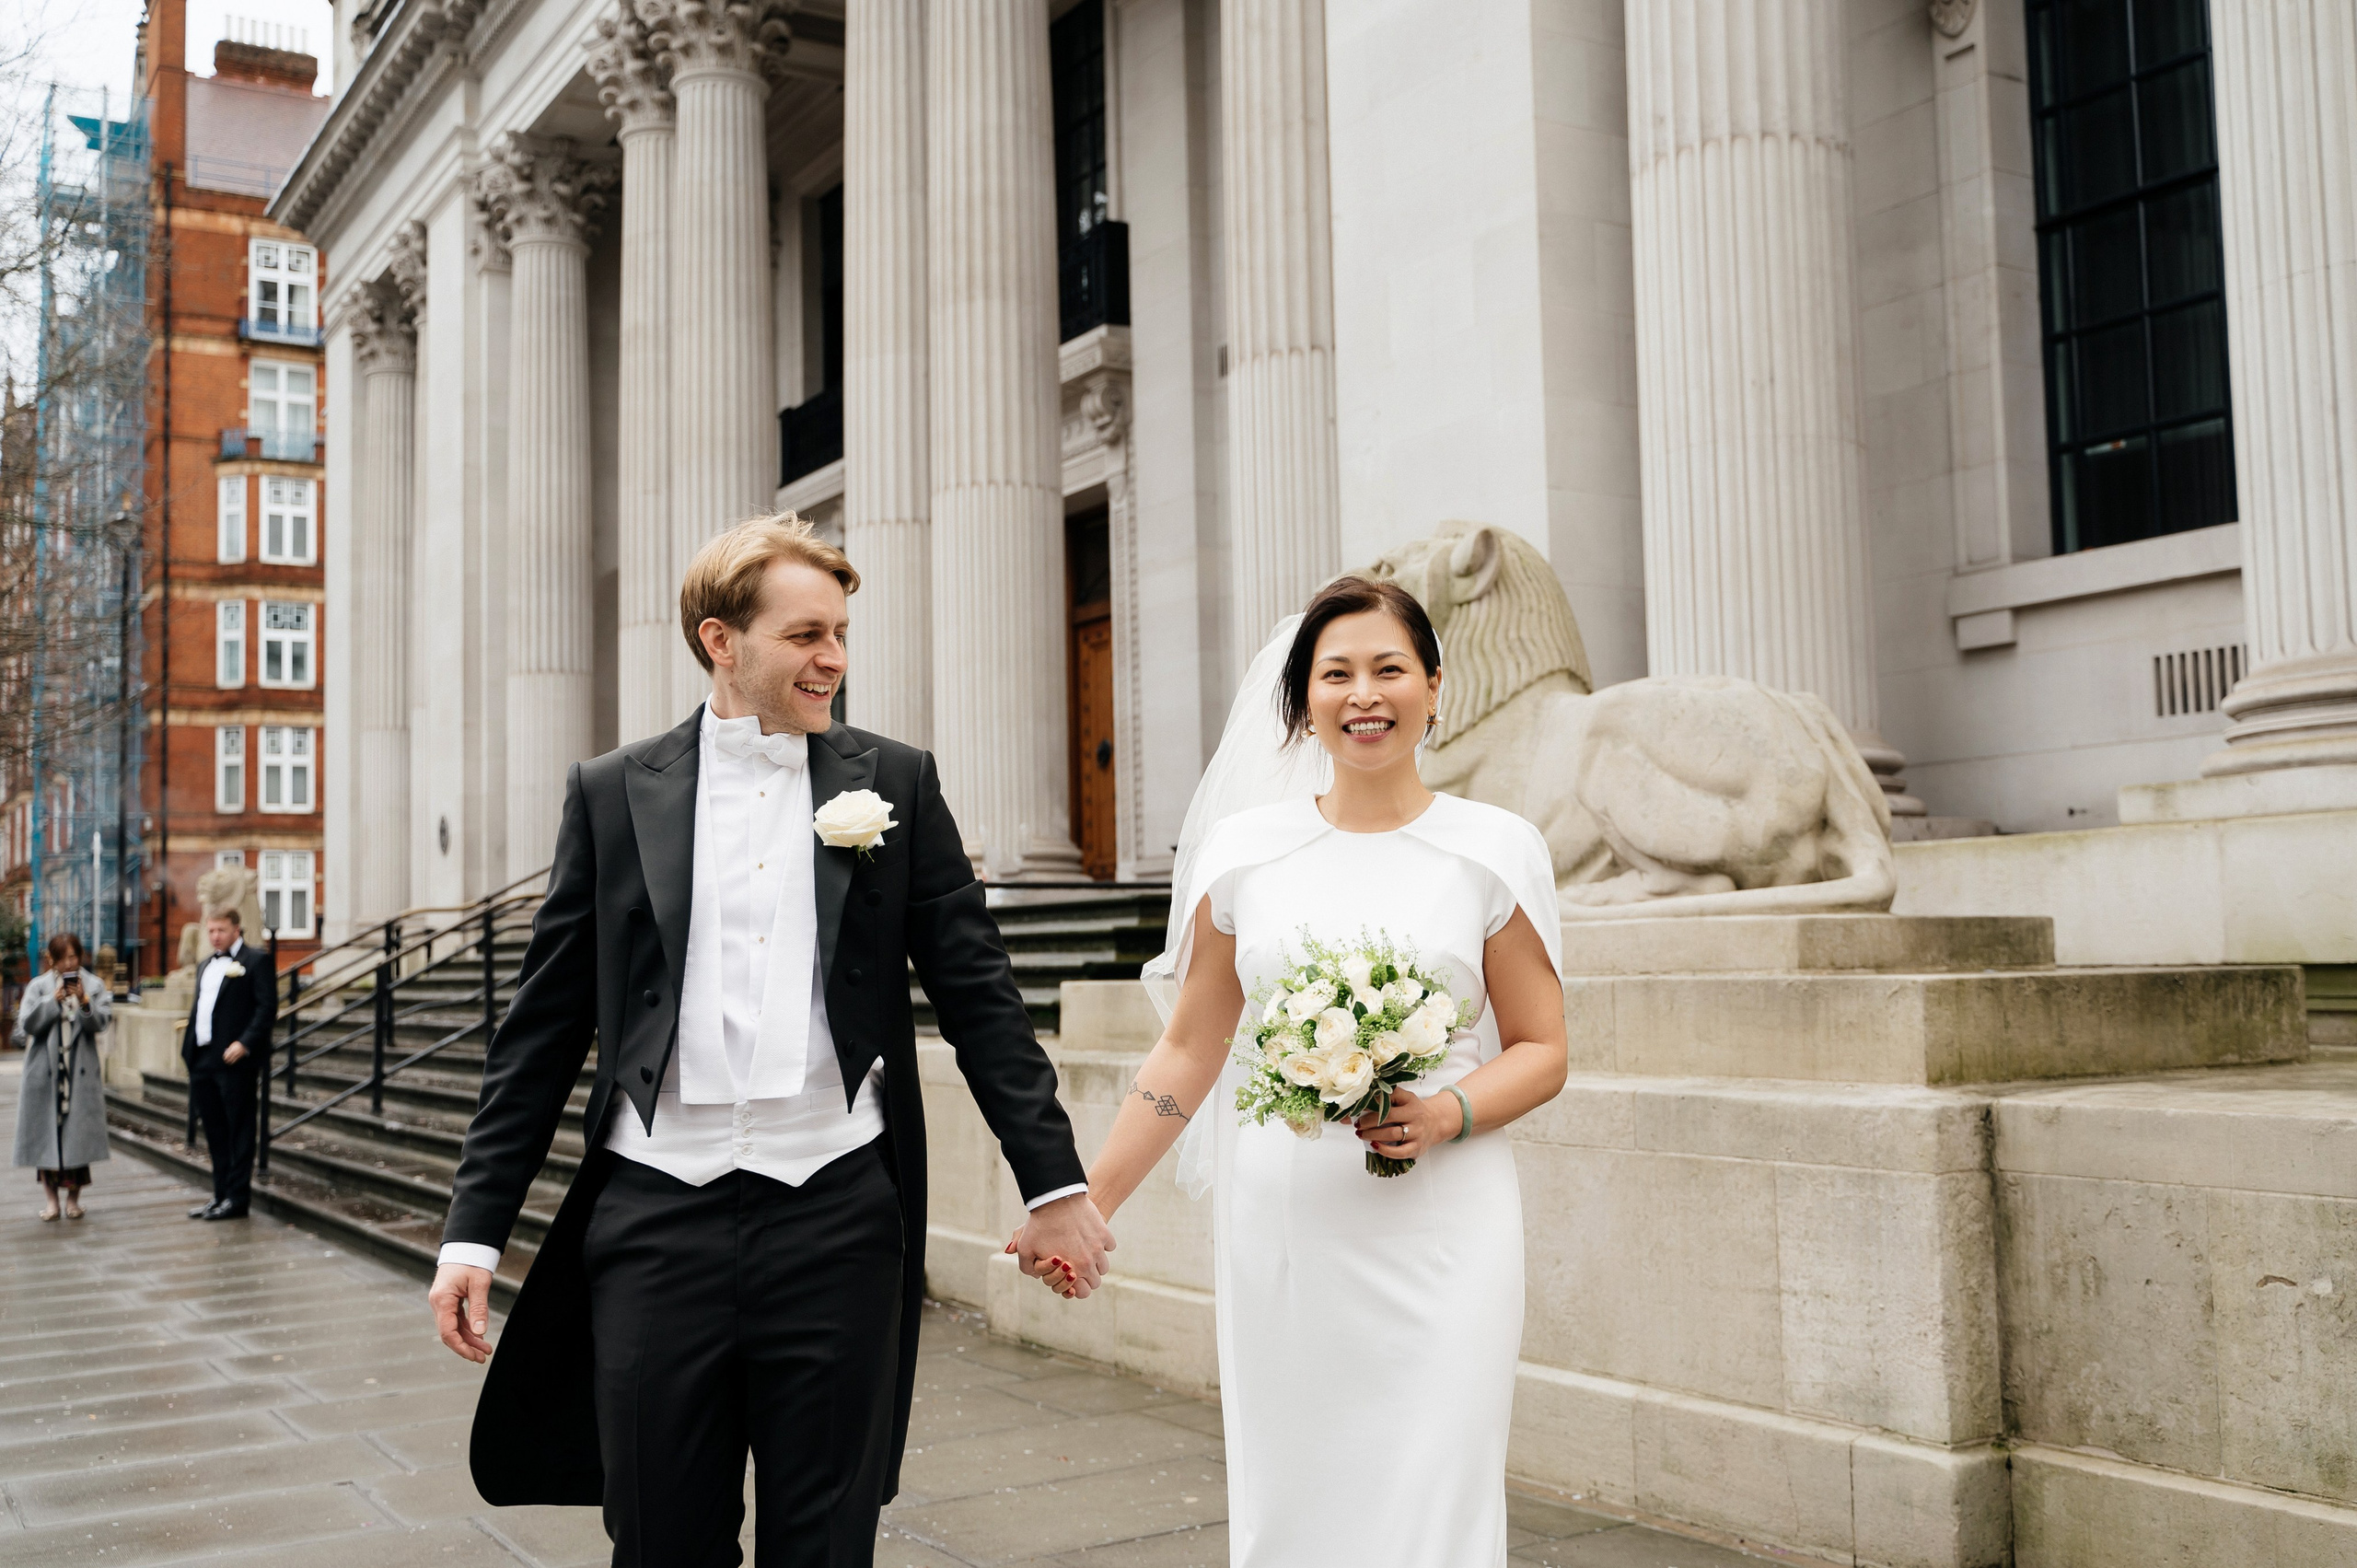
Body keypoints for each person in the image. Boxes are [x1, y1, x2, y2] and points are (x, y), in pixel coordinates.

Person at [425, 512, 1113, 1566]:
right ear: (720, 640)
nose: (832, 657)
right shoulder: (611, 793)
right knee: (659, 1538)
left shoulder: (895, 780)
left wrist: (1054, 1186)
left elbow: (982, 998)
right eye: (803, 635)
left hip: (836, 1214)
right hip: (656, 1219)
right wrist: (473, 1232)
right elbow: (540, 1030)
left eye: (838, 632)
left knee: (827, 1544)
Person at [1018, 576, 1568, 1566]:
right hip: (1286, 1220)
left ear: (1435, 686)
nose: (1365, 693)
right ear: (1300, 700)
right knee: (1297, 1493)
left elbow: (1541, 1048)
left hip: (1446, 1223)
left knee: (1438, 1481)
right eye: (1337, 673)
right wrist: (1085, 1202)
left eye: (1390, 668)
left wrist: (1447, 1109)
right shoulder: (1244, 851)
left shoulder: (1495, 848)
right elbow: (1190, 1047)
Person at [180, 906, 275, 1220]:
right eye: (210, 931)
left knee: (239, 1130)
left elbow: (266, 1008)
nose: (215, 936)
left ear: (237, 929)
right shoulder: (206, 964)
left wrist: (245, 1043)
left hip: (235, 1061)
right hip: (203, 1059)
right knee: (214, 1131)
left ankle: (237, 1198)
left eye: (220, 930)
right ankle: (219, 1195)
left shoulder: (256, 960)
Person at [12, 933, 112, 1220]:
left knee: (76, 1137)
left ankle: (73, 1200)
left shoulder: (94, 985)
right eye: (64, 957)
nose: (70, 963)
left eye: (74, 956)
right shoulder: (37, 986)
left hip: (78, 1070)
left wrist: (83, 1001)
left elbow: (101, 1023)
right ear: (52, 961)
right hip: (45, 1073)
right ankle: (51, 1202)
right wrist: (52, 1002)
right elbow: (27, 1025)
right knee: (48, 1136)